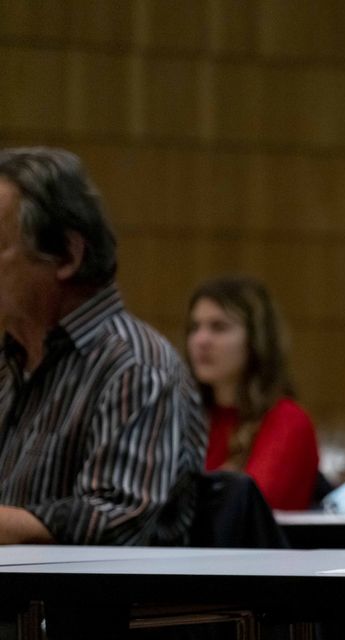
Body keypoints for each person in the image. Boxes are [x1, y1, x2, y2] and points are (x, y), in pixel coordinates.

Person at [0, 147, 207, 545]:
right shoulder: (10, 360)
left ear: (66, 255)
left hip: (86, 588)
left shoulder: (136, 367)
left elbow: (117, 519)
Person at [186, 275, 319, 511]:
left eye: (219, 327)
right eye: (195, 327)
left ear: (256, 339)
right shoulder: (189, 417)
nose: (201, 340)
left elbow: (245, 510)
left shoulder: (288, 420)